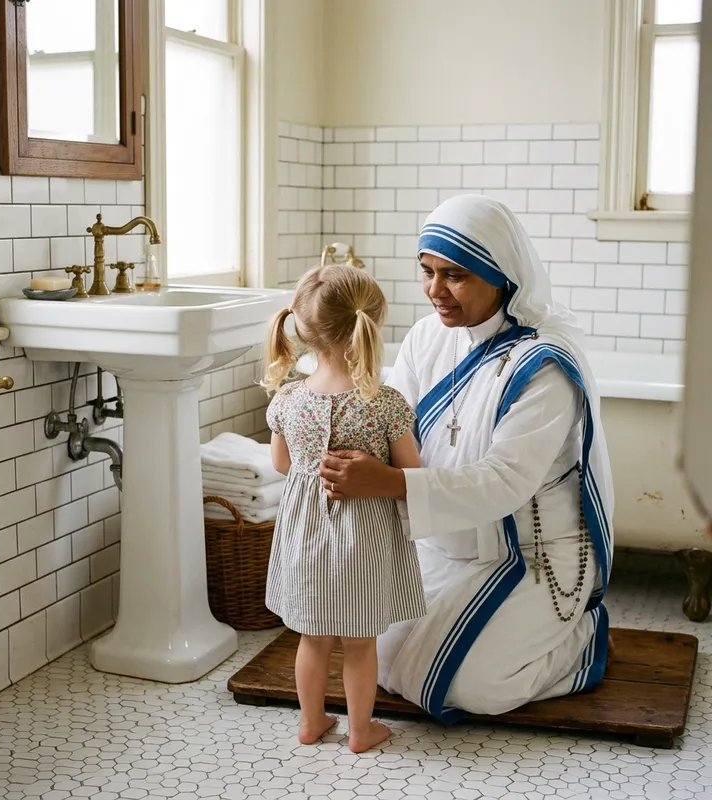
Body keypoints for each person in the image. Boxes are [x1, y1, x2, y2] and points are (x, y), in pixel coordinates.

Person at [319, 194, 614, 721]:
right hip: (447, 543)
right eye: (427, 272)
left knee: (479, 687)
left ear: (500, 275)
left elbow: (504, 481)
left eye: (454, 275)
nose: (435, 292)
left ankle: (582, 638)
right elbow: (393, 425)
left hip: (531, 555)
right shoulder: (429, 337)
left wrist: (385, 484)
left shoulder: (543, 365)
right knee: (384, 657)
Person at [261, 264, 426, 753]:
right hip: (365, 539)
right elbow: (410, 473)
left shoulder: (289, 399)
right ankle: (360, 731)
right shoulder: (386, 404)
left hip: (306, 535)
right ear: (369, 326)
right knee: (360, 642)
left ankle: (311, 723)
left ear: (304, 331)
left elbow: (280, 463)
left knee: (312, 640)